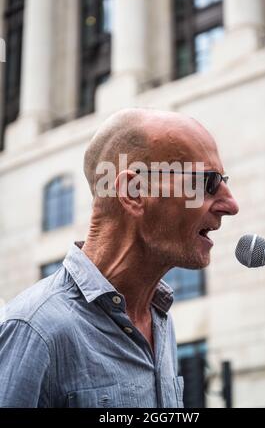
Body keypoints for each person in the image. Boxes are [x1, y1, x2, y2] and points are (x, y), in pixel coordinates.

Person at [0, 108, 239, 407]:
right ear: (134, 191)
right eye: (208, 182)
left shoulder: (160, 322)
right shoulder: (32, 329)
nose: (231, 205)